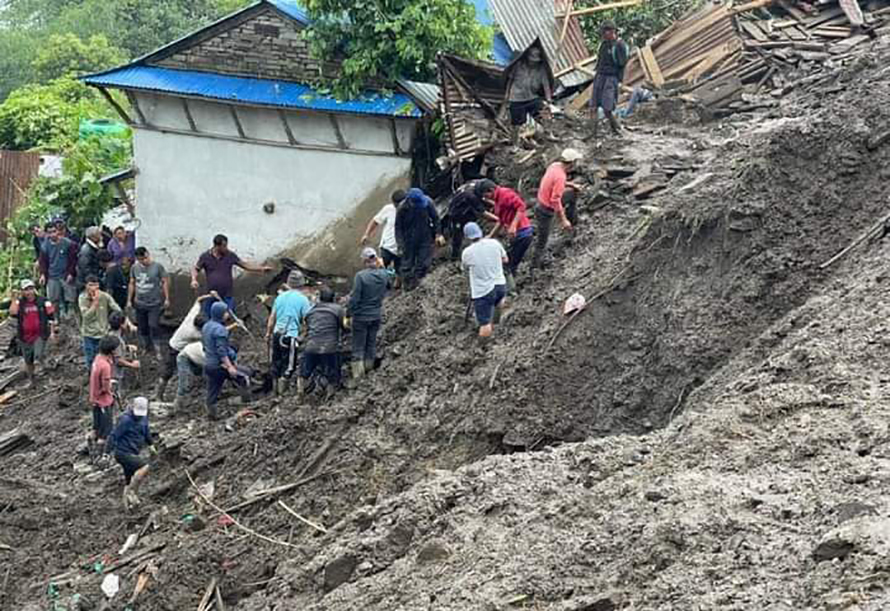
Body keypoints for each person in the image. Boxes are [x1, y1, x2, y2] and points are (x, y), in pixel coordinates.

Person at [158, 293, 219, 403]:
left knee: (197, 367)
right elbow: (213, 334)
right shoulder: (193, 333)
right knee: (167, 373)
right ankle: (159, 395)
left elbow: (198, 299)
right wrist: (233, 325)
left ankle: (200, 384)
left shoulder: (192, 315)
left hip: (183, 346)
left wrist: (211, 296)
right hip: (174, 348)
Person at [191, 234, 273, 317]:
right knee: (206, 317)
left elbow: (245, 265)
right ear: (216, 246)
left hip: (227, 295)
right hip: (211, 295)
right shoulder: (205, 257)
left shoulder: (230, 255)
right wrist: (194, 279)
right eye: (224, 246)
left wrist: (261, 269)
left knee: (228, 316)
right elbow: (196, 269)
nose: (226, 248)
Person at [476, 180, 533, 292]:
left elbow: (521, 206)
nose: (485, 199)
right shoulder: (497, 200)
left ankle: (511, 291)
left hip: (523, 233)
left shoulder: (505, 194)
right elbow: (501, 220)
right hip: (515, 236)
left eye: (485, 195)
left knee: (507, 264)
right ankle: (511, 286)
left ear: (491, 190)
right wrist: (490, 235)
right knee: (509, 262)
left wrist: (514, 225)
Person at [531, 149, 584, 271]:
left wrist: (573, 185)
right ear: (572, 162)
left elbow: (557, 182)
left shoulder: (555, 166)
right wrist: (563, 220)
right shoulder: (560, 176)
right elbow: (555, 200)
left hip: (542, 201)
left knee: (572, 194)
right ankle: (534, 268)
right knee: (542, 241)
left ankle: (573, 222)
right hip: (545, 209)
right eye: (576, 161)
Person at [347, 248, 392, 382]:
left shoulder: (360, 276)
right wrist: (383, 268)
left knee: (358, 347)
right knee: (371, 344)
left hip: (361, 317)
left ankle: (358, 377)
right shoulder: (384, 274)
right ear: (376, 259)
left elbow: (355, 298)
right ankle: (369, 371)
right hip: (376, 315)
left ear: (365, 261)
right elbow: (389, 286)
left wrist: (349, 314)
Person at [265, 270, 311, 395]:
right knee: (289, 366)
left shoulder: (280, 297)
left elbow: (272, 318)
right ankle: (282, 393)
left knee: (276, 362)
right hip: (289, 336)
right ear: (302, 284)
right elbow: (308, 319)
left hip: (276, 334)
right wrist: (305, 335)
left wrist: (268, 333)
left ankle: (275, 391)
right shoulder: (303, 300)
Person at [202, 301, 251, 420]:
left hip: (208, 365)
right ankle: (246, 405)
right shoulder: (220, 330)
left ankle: (211, 413)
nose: (227, 314)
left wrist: (234, 325)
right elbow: (221, 352)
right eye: (225, 312)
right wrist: (229, 367)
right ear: (220, 314)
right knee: (244, 376)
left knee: (213, 389)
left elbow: (209, 342)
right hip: (220, 365)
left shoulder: (207, 326)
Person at [461, 223, 508, 340]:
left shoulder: (467, 252)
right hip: (500, 285)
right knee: (498, 303)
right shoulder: (495, 243)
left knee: (484, 323)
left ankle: (482, 349)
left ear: (467, 237)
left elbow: (465, 268)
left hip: (483, 291)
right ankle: (495, 326)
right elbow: (505, 259)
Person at [107, 396, 156, 509]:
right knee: (144, 467)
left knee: (129, 480)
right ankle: (131, 492)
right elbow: (113, 436)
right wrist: (106, 453)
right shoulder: (126, 420)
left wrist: (151, 445)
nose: (139, 416)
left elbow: (146, 431)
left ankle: (127, 508)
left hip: (133, 452)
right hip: (122, 453)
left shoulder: (143, 418)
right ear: (132, 407)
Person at [9, 279, 56, 387]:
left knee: (38, 356)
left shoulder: (43, 300)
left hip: (40, 334)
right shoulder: (19, 302)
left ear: (34, 289)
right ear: (22, 291)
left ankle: (45, 376)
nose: (29, 292)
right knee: (28, 360)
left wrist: (53, 333)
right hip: (24, 336)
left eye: (30, 289)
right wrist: (14, 299)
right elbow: (12, 313)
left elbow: (51, 317)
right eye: (26, 290)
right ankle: (32, 381)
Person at [300, 285, 346, 394]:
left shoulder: (311, 311)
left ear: (319, 298)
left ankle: (301, 392)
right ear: (333, 298)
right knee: (333, 373)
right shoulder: (338, 309)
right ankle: (332, 390)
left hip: (311, 347)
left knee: (305, 372)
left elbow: (307, 328)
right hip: (330, 348)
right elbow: (344, 326)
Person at [395, 188, 443, 291]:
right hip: (409, 239)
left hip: (425, 236)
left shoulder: (428, 202)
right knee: (407, 264)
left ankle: (419, 282)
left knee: (424, 262)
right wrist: (400, 244)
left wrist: (438, 234)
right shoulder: (402, 208)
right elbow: (398, 228)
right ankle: (407, 286)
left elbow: (435, 218)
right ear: (410, 201)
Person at [128, 247, 170, 358]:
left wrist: (167, 298)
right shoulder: (134, 268)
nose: (143, 261)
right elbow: (132, 283)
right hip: (139, 302)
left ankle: (158, 348)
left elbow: (165, 281)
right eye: (140, 260)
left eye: (144, 258)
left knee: (153, 325)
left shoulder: (157, 267)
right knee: (142, 327)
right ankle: (147, 346)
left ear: (148, 254)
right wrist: (129, 300)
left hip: (154, 303)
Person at [590, 21, 629, 139]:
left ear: (612, 31)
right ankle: (593, 133)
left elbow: (622, 64)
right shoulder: (604, 44)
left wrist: (619, 81)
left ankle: (616, 129)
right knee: (593, 106)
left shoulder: (619, 45)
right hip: (600, 76)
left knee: (607, 108)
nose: (603, 35)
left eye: (604, 32)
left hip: (611, 78)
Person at [79, 275, 122, 372]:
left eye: (95, 285)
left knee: (103, 359)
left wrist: (114, 321)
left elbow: (117, 309)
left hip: (102, 334)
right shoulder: (82, 298)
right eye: (90, 285)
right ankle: (91, 377)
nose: (93, 288)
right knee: (90, 359)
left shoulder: (105, 296)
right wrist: (95, 303)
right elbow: (86, 316)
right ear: (86, 286)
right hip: (88, 334)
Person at [38, 223, 77, 322]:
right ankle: (56, 319)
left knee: (70, 298)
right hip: (52, 276)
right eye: (50, 232)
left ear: (58, 231)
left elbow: (73, 260)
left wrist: (70, 273)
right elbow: (43, 262)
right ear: (47, 234)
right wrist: (42, 274)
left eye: (54, 231)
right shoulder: (45, 246)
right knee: (53, 299)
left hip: (65, 275)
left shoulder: (68, 243)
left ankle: (71, 319)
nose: (53, 235)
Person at [89, 335, 119, 459]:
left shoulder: (98, 359)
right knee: (105, 432)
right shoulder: (105, 366)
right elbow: (106, 388)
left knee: (96, 427)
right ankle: (100, 456)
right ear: (112, 350)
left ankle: (91, 446)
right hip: (104, 402)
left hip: (94, 399)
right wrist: (111, 385)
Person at [362, 190, 404, 280]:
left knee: (400, 272)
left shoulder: (410, 210)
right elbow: (375, 221)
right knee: (379, 269)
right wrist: (366, 234)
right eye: (395, 205)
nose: (397, 207)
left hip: (401, 248)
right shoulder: (389, 209)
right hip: (387, 246)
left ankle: (397, 284)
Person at [507, 46, 553, 128]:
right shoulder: (518, 66)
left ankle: (549, 133)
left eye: (535, 61)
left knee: (543, 114)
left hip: (531, 97)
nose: (533, 63)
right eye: (531, 60)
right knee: (516, 124)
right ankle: (515, 139)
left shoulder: (541, 69)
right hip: (516, 97)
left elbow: (546, 84)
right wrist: (507, 95)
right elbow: (510, 80)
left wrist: (548, 98)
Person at [445, 180, 486, 261]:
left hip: (466, 209)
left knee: (471, 225)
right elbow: (483, 212)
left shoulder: (472, 184)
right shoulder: (471, 196)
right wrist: (497, 219)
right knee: (458, 234)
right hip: (457, 214)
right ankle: (455, 256)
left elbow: (483, 199)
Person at [76, 226, 105, 292]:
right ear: (93, 237)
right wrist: (97, 281)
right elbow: (86, 269)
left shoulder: (93, 248)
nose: (101, 237)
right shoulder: (86, 251)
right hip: (87, 284)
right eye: (99, 234)